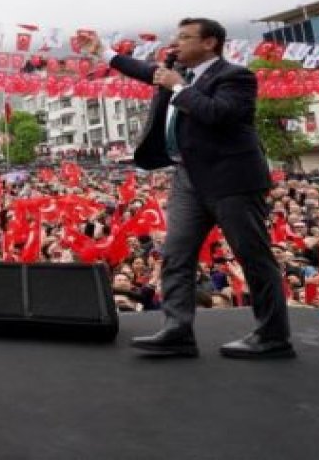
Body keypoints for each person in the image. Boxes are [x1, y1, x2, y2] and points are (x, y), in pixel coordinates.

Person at [79, 19, 294, 359]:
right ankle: (177, 330)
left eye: (184, 37)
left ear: (210, 43)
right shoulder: (177, 72)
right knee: (176, 255)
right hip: (187, 178)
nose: (175, 44)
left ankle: (273, 335)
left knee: (253, 257)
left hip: (231, 180)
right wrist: (102, 53)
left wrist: (179, 87)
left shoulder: (234, 76)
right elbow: (142, 69)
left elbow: (219, 114)